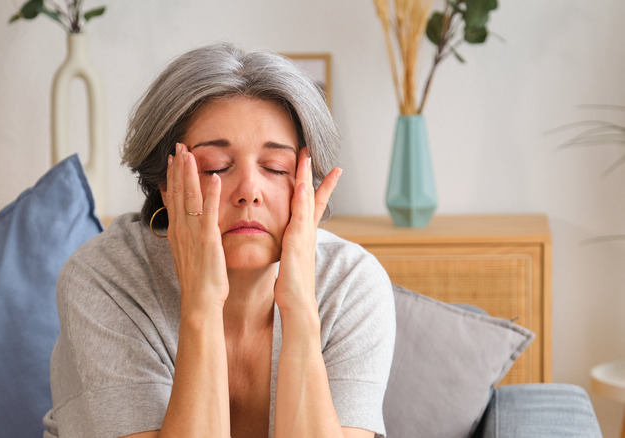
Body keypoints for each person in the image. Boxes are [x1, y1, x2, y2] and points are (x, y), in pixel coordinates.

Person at [42, 42, 395, 438]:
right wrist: (201, 306)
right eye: (217, 166)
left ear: (307, 183)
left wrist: (299, 311)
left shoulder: (352, 285)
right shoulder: (104, 280)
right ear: (165, 182)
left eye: (275, 168)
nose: (249, 191)